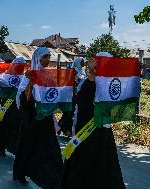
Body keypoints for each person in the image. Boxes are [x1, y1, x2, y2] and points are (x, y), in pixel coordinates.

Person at [62, 52, 125, 189]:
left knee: (105, 167)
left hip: (103, 133)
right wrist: (92, 74)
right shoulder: (87, 82)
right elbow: (83, 103)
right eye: (99, 62)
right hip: (86, 132)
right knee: (82, 167)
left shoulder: (111, 82)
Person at [13, 47, 63, 188]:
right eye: (45, 57)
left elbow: (53, 94)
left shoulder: (48, 75)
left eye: (49, 56)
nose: (48, 60)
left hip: (45, 117)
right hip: (32, 119)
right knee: (27, 146)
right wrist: (31, 81)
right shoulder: (29, 75)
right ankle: (22, 173)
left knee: (51, 147)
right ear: (37, 58)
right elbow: (23, 98)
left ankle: (54, 177)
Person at [0, 56, 27, 157]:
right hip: (7, 105)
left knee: (16, 127)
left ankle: (14, 148)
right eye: (18, 65)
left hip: (18, 107)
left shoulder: (25, 76)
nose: (20, 67)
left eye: (22, 65)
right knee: (5, 126)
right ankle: (1, 147)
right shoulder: (5, 76)